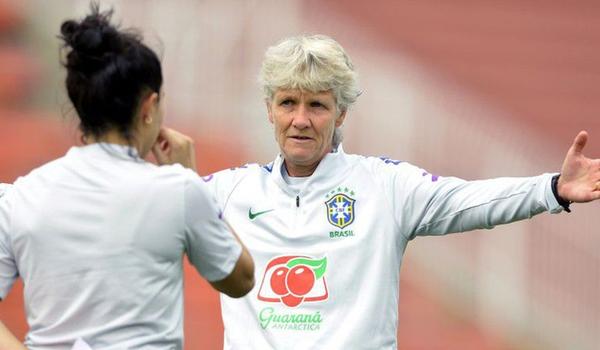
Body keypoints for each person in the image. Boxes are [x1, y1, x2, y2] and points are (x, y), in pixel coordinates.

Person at [204, 34, 600, 349]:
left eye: (317, 105)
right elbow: (152, 206)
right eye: (288, 103)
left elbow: (466, 201)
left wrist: (552, 189)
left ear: (341, 112)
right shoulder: (229, 190)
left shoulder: (383, 185)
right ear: (269, 109)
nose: (301, 120)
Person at [0, 6, 254, 350]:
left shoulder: (20, 197)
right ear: (149, 108)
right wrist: (192, 177)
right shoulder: (178, 190)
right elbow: (241, 279)